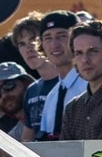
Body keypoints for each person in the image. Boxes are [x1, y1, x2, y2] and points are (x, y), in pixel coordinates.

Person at [22, 11, 84, 142]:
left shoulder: (89, 87)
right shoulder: (52, 96)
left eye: (62, 36)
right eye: (47, 38)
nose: (54, 44)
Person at [0, 62, 32, 137]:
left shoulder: (50, 109)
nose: (4, 95)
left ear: (26, 83)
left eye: (8, 85)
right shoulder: (13, 138)